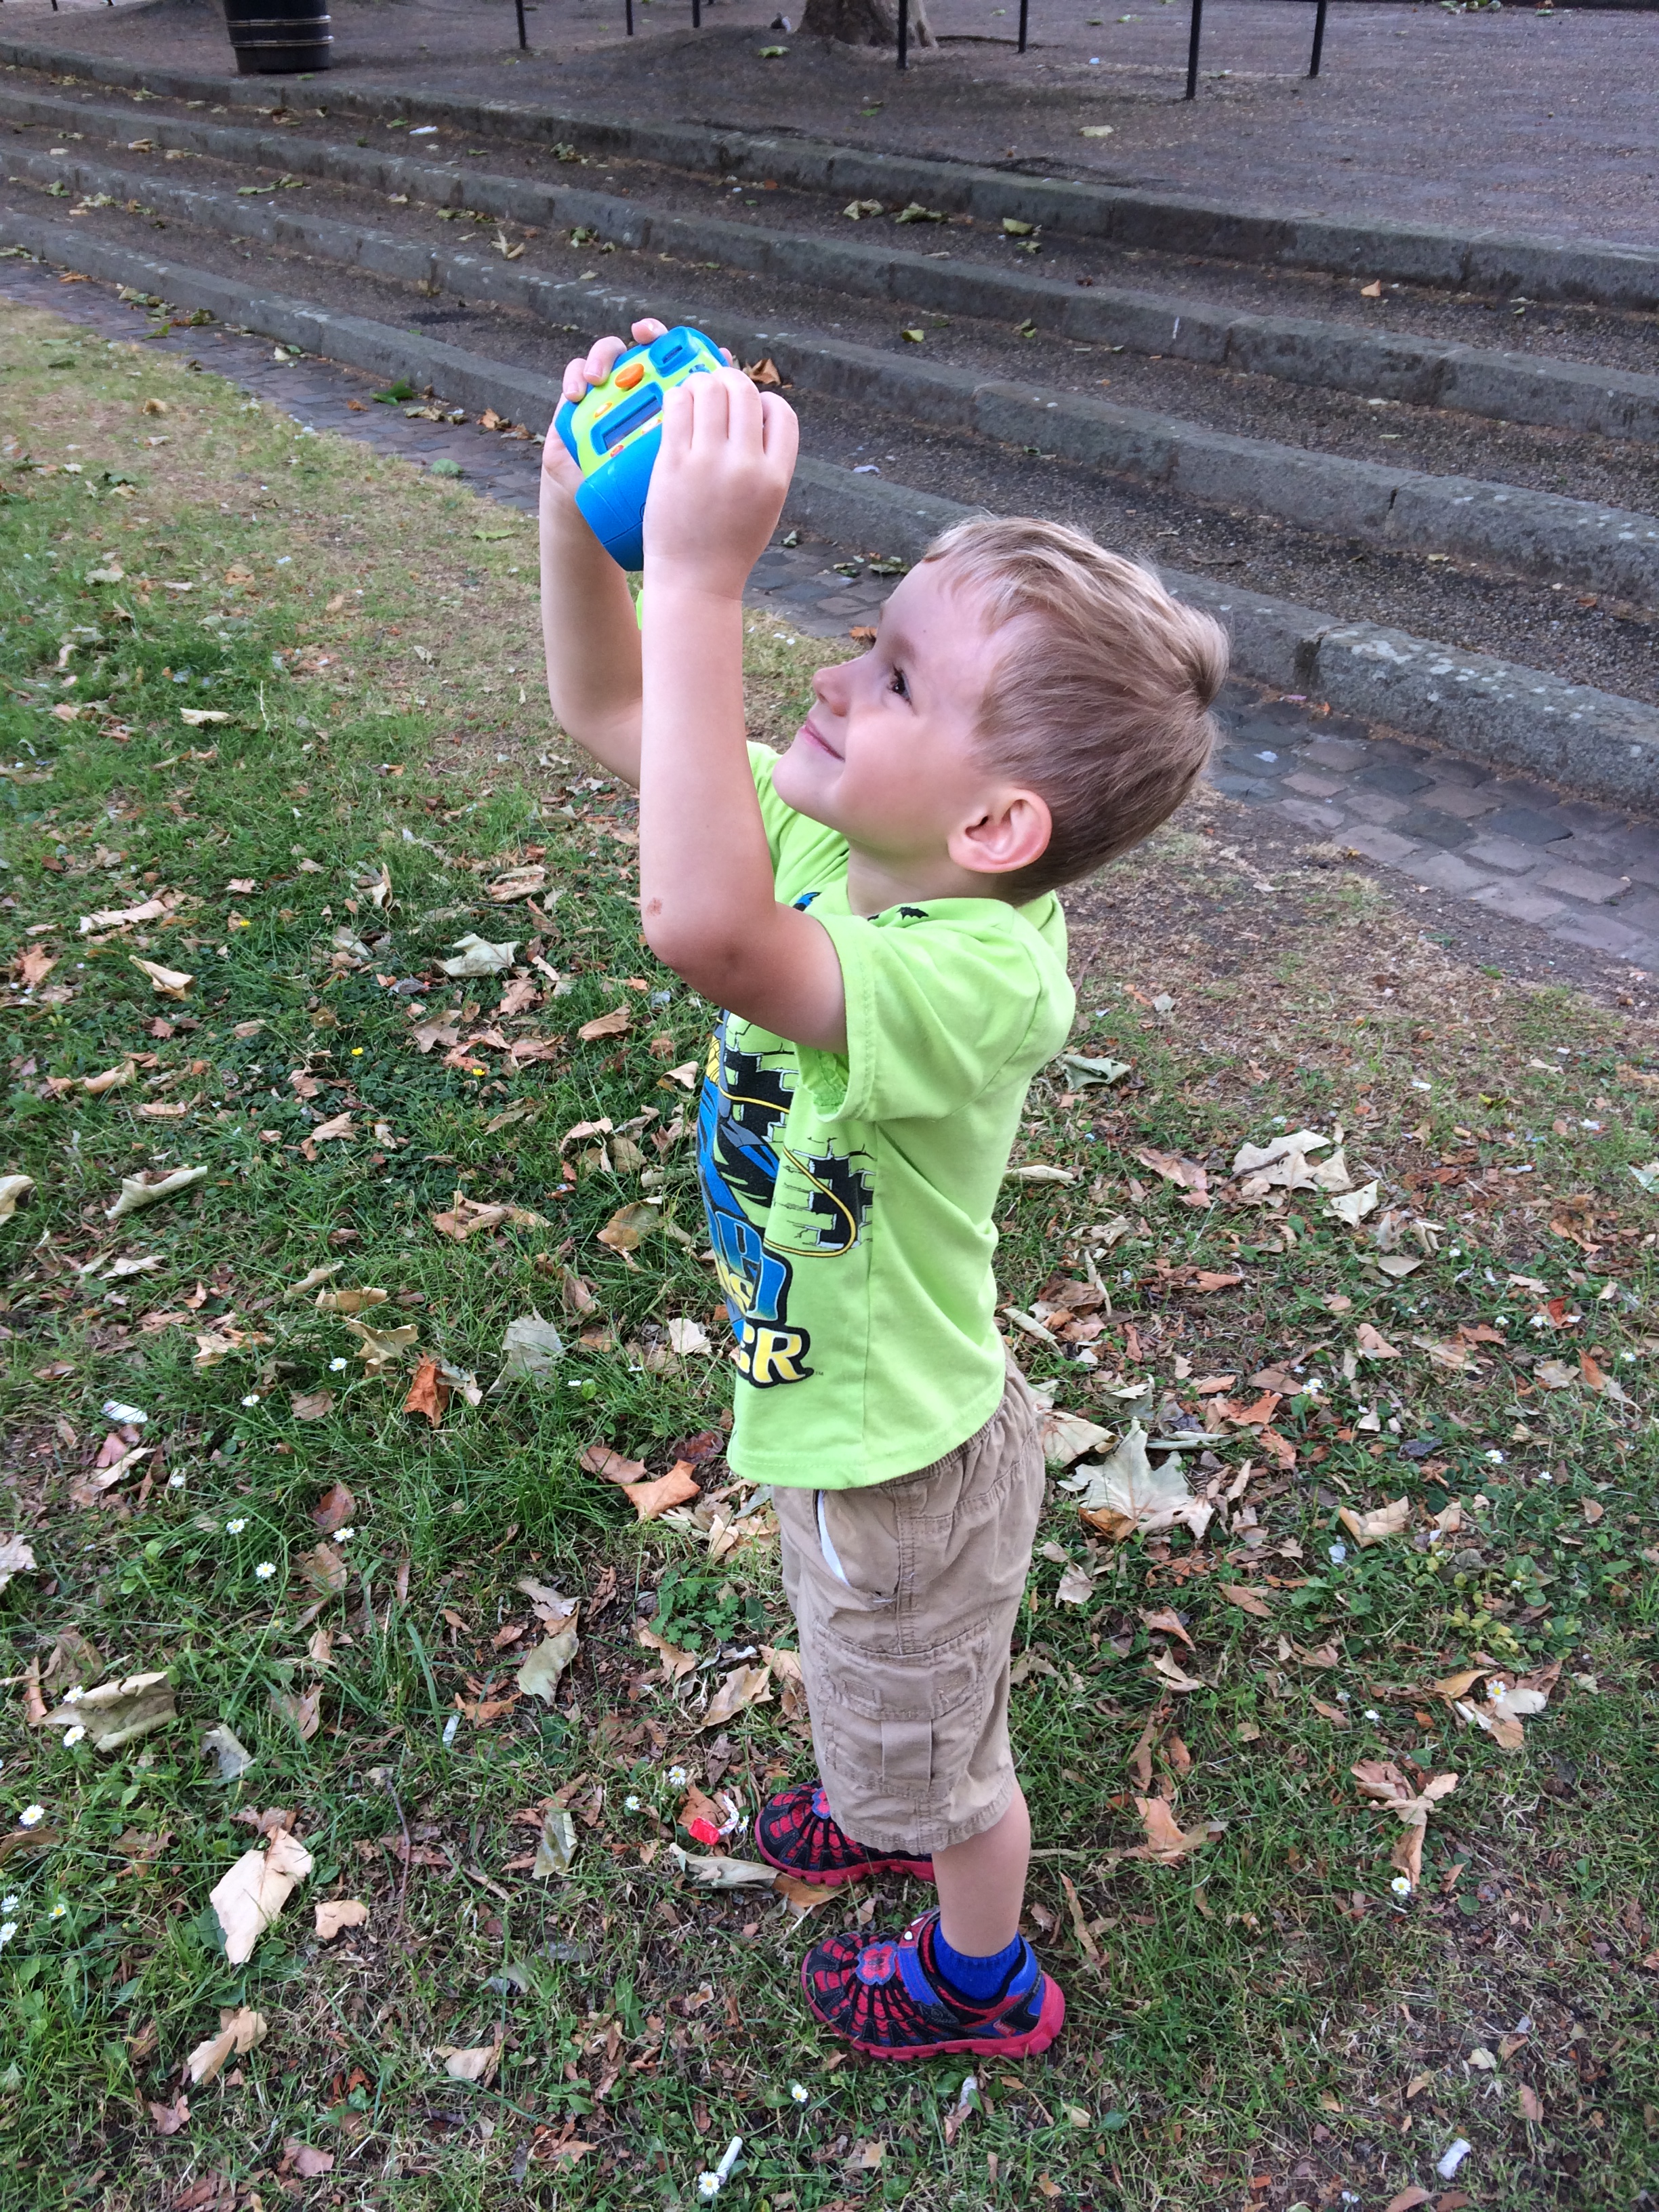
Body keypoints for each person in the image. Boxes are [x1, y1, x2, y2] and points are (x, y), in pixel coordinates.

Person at [540, 319, 1227, 2062]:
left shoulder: (985, 973)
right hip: (825, 1413)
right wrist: (580, 503)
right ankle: (875, 1783)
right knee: (878, 1689)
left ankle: (978, 1976)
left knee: (959, 1766)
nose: (835, 682)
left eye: (897, 682)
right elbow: (612, 706)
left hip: (905, 1463)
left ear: (998, 829)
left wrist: (701, 584)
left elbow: (704, 927)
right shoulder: (854, 836)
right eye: (865, 645)